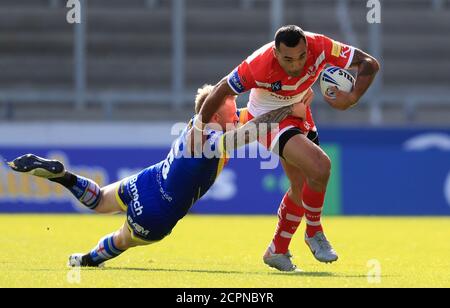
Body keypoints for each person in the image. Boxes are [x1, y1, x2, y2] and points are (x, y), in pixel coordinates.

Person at [7, 84, 310, 268]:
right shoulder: (213, 142)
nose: (237, 116)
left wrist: (286, 102)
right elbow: (251, 130)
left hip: (150, 180)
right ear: (216, 118)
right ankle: (86, 260)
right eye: (232, 115)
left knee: (99, 200)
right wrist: (288, 111)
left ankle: (62, 177)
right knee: (122, 240)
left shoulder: (198, 122)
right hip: (157, 213)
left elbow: (248, 116)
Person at [197, 25, 380, 271]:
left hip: (299, 113)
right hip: (267, 120)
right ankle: (314, 231)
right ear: (275, 52)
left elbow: (369, 63)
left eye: (302, 56)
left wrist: (353, 96)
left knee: (302, 186)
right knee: (320, 166)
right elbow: (221, 89)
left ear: (308, 48)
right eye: (288, 59)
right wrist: (199, 129)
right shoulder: (257, 65)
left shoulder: (321, 46)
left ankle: (277, 249)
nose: (296, 64)